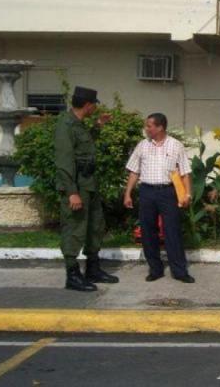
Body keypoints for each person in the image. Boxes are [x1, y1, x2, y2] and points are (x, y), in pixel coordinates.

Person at [55, 86, 118, 292]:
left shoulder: (79, 124)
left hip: (89, 185)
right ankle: (72, 275)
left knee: (94, 226)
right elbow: (64, 161)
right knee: (74, 228)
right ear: (88, 105)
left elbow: (85, 146)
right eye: (94, 105)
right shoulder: (66, 124)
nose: (94, 109)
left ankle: (93, 268)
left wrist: (98, 126)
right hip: (77, 187)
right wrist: (72, 192)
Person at [123, 113, 195, 283]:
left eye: (149, 126)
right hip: (147, 191)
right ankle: (155, 269)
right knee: (148, 231)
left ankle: (179, 271)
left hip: (168, 192)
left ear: (160, 127)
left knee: (172, 231)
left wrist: (187, 194)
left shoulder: (176, 145)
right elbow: (134, 171)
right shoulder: (142, 145)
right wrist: (128, 193)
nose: (146, 129)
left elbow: (185, 172)